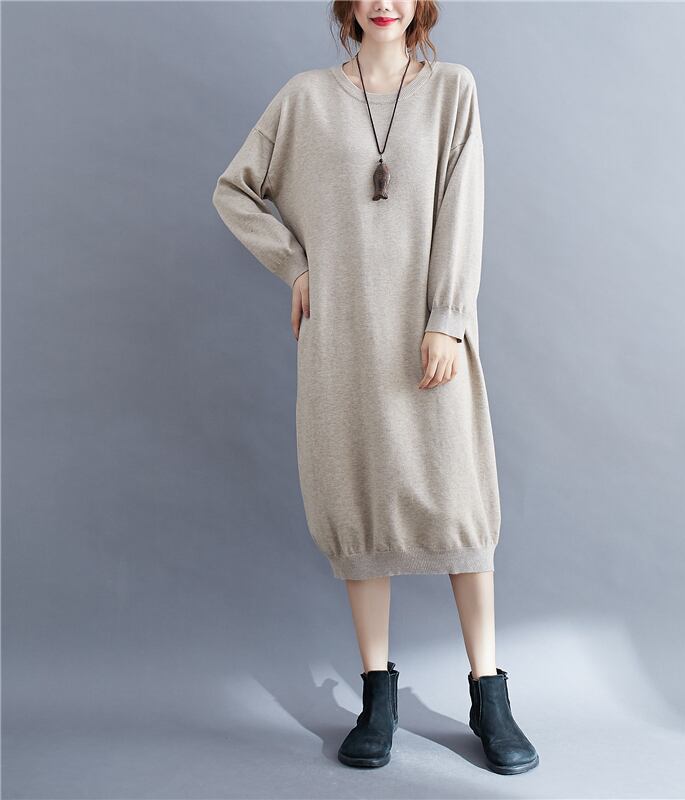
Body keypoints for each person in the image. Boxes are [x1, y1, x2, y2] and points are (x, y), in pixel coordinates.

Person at [211, 0, 539, 775]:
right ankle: (377, 695)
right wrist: (294, 265)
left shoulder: (452, 89)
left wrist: (448, 318)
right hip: (345, 337)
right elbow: (234, 190)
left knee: (460, 506)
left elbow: (463, 207)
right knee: (360, 507)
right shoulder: (306, 98)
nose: (383, 2)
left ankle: (488, 693)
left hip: (427, 330)